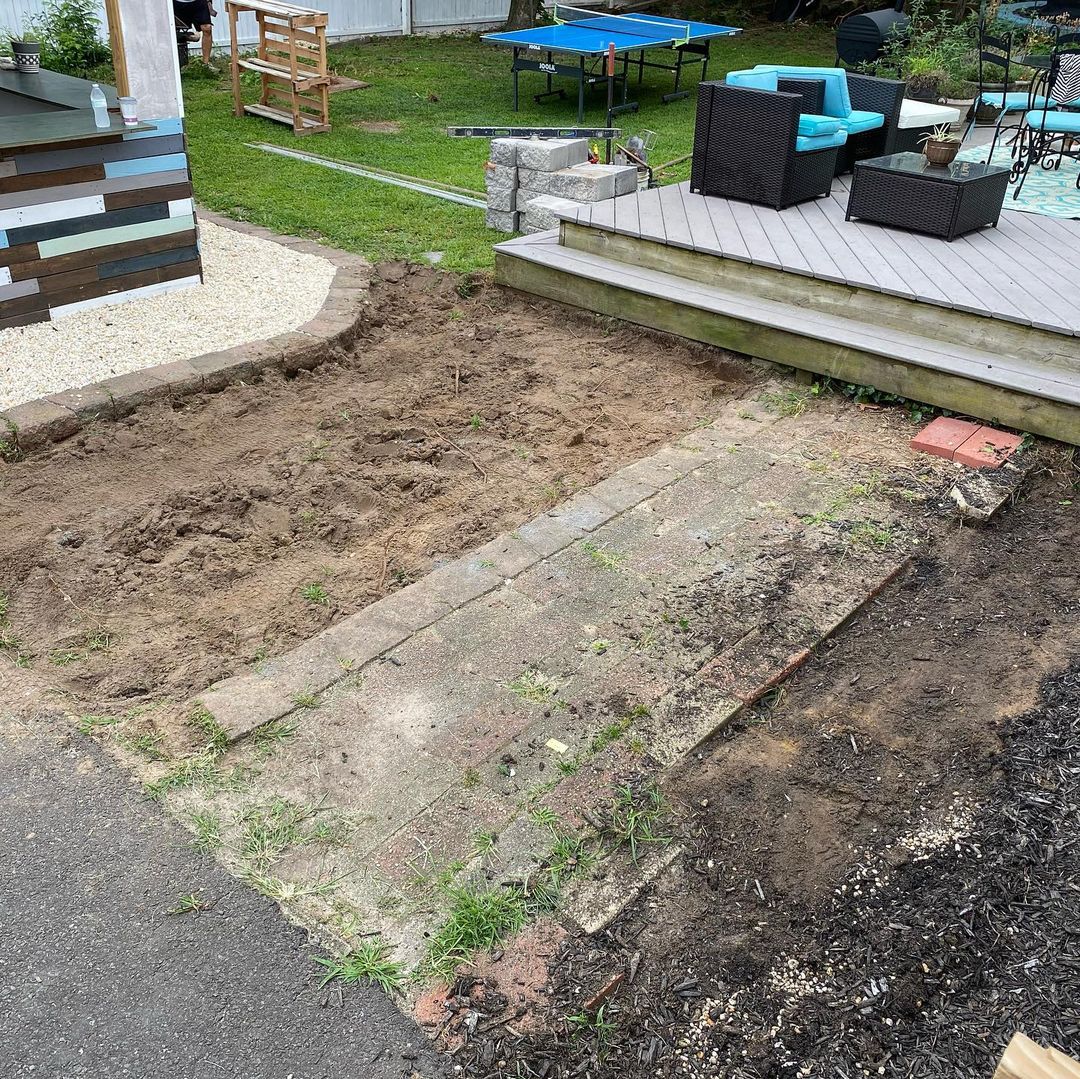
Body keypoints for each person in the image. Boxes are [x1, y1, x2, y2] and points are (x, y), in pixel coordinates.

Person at [173, 0, 217, 65]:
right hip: (177, 3)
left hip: (198, 2)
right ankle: (175, 63)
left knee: (207, 28)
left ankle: (205, 64)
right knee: (173, 28)